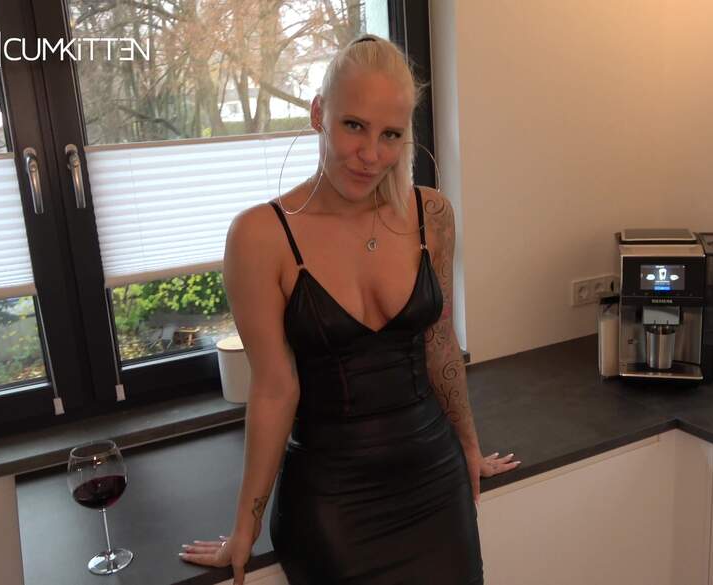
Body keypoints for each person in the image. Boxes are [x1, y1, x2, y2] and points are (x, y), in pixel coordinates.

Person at [179, 35, 520, 585]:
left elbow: (439, 343)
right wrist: (245, 528)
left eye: (391, 135)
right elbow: (274, 389)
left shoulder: (431, 214)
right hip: (333, 504)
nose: (371, 154)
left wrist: (469, 446)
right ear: (319, 113)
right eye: (354, 126)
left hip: (436, 482)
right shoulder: (261, 236)